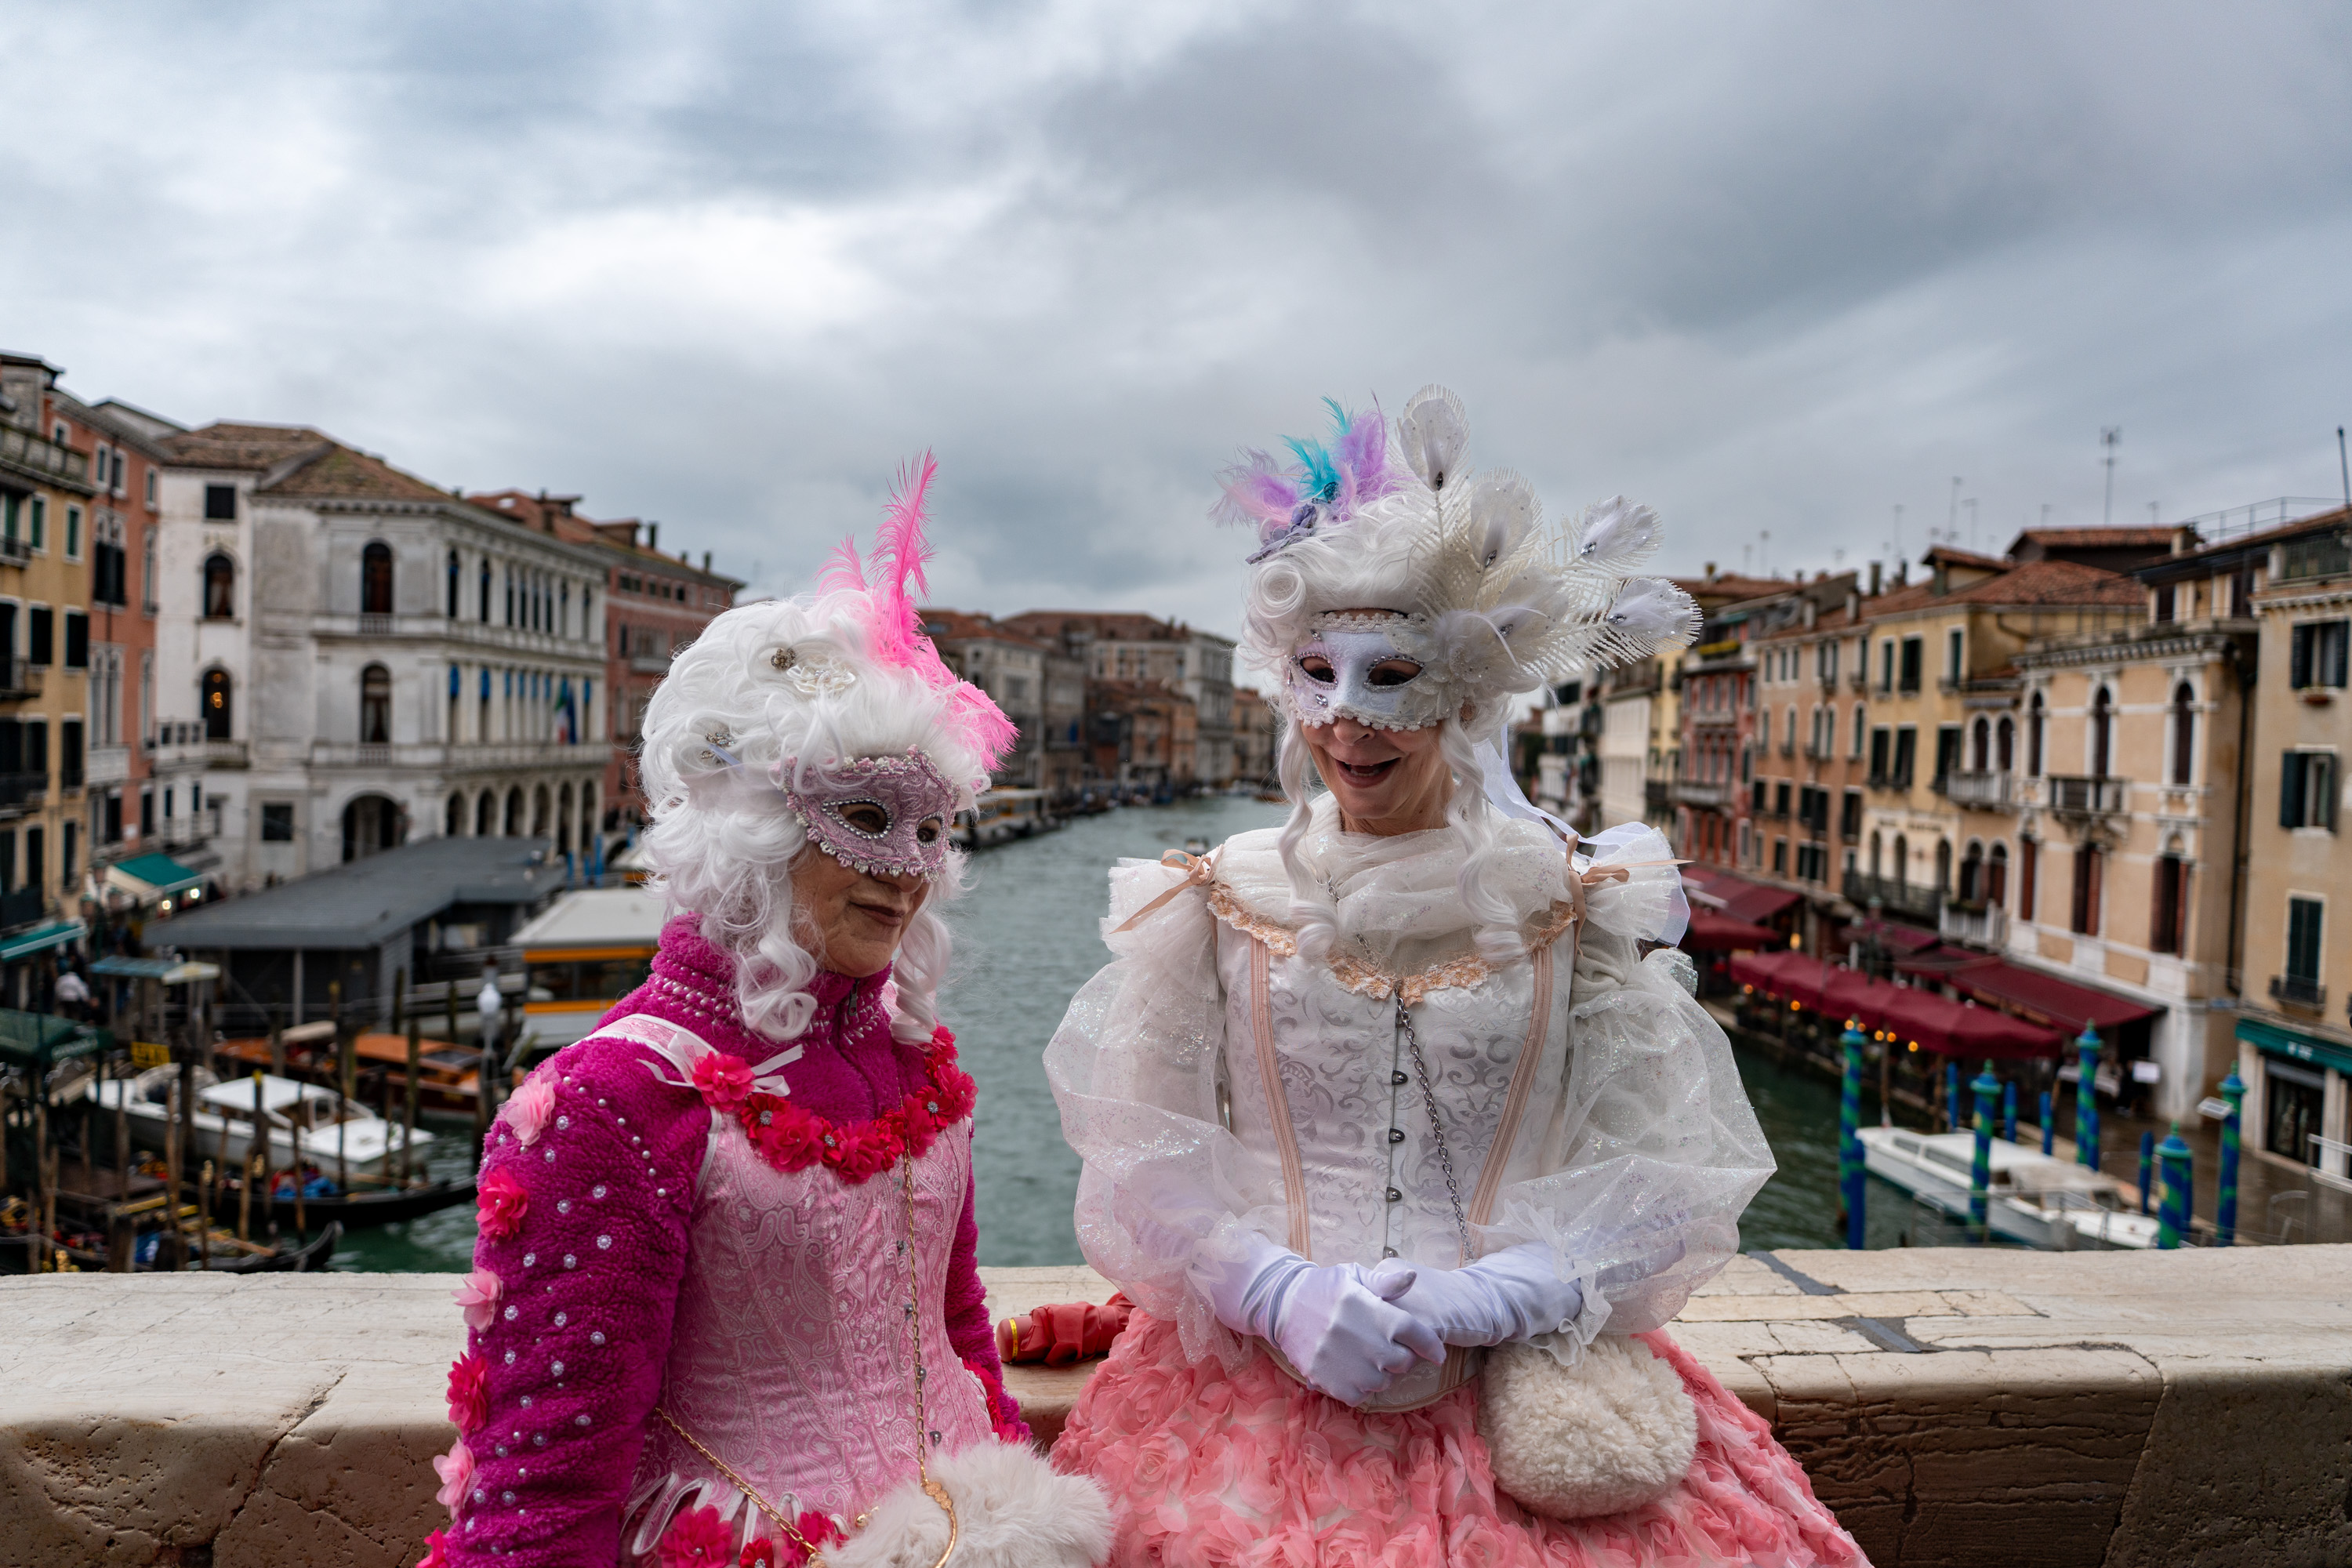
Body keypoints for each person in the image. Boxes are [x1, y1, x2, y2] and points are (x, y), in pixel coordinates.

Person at [1047, 389, 1866, 1565]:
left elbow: (1667, 1177)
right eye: (1317, 675)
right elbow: (1140, 1159)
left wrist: (1512, 1291)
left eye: (1390, 678)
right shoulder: (1213, 899)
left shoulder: (1576, 903)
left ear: (1469, 694)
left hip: (1526, 1402)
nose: (1346, 722)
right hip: (1249, 1397)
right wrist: (1270, 1288)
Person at [424, 458, 1099, 1566]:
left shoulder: (913, 1059)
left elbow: (955, 1335)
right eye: (867, 817)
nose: (907, 870)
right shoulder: (611, 1101)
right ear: (753, 826)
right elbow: (544, 1493)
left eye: (932, 831)